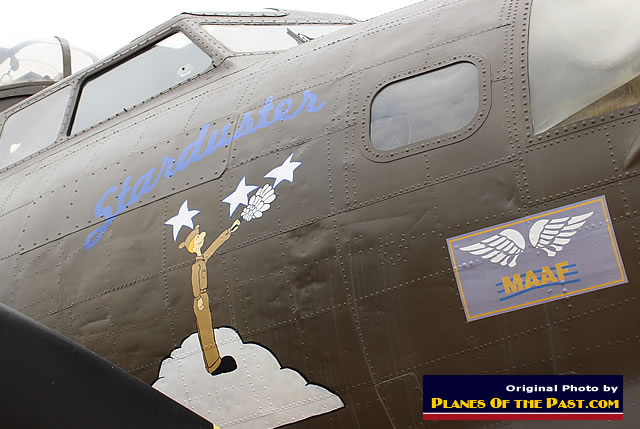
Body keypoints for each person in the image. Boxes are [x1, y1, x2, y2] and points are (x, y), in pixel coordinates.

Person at [178, 220, 240, 375]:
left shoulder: (201, 259)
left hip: (203, 298)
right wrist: (199, 298)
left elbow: (212, 248)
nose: (202, 240)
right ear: (194, 245)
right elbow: (194, 282)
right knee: (205, 331)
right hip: (200, 299)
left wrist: (228, 232)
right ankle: (213, 365)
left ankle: (215, 361)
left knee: (208, 330)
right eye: (198, 239)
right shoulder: (196, 265)